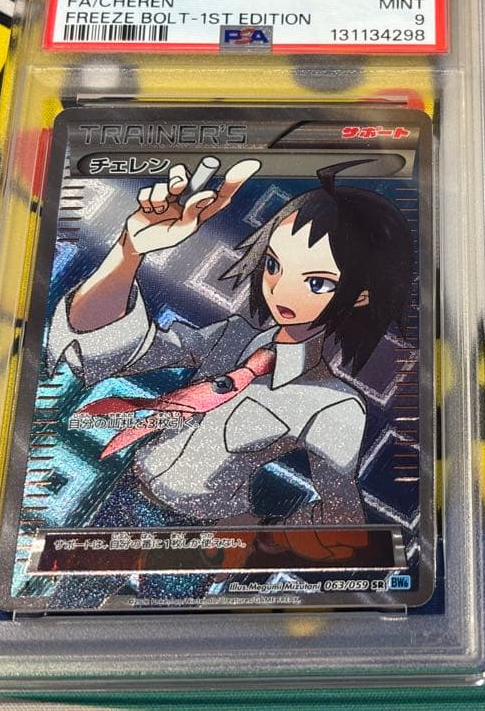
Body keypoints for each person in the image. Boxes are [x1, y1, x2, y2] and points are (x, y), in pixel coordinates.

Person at [49, 156, 415, 528]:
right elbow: (112, 352)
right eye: (273, 265)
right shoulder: (230, 336)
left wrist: (258, 539)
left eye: (317, 282)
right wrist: (129, 251)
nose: (280, 289)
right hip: (123, 494)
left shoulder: (334, 405)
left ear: (361, 295)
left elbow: (340, 514)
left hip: (202, 530)